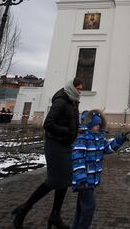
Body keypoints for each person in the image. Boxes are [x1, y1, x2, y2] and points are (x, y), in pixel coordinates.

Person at [12, 78, 83, 229]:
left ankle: (55, 215)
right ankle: (24, 209)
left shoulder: (73, 101)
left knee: (64, 181)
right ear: (72, 88)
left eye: (81, 88)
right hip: (55, 145)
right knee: (53, 181)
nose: (80, 91)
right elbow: (48, 123)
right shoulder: (61, 101)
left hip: (65, 144)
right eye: (78, 88)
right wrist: (67, 131)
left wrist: (76, 129)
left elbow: (68, 121)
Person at [71, 110, 129, 228]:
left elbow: (107, 149)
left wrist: (119, 140)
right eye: (96, 124)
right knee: (89, 207)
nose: (98, 126)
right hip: (84, 181)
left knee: (82, 208)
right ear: (90, 125)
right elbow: (78, 160)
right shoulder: (83, 139)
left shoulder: (99, 138)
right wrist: (81, 179)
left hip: (91, 181)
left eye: (99, 124)